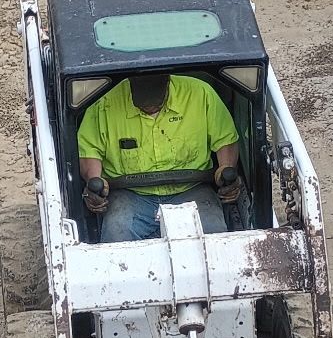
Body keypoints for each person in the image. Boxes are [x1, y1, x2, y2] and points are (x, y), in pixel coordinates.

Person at [77, 70, 243, 243]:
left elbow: (225, 139)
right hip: (129, 195)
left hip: (192, 190)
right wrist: (94, 180)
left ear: (168, 81)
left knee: (214, 235)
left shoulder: (201, 94)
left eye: (156, 104)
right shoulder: (104, 104)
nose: (150, 109)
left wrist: (225, 168)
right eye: (143, 105)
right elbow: (90, 149)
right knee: (117, 233)